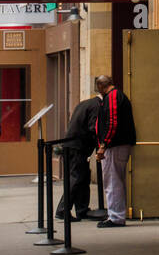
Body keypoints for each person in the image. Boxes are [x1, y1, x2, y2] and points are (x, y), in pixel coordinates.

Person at [94, 75, 136, 228]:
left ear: (100, 86)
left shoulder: (112, 96)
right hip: (118, 144)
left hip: (114, 145)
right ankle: (116, 214)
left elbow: (112, 122)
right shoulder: (117, 95)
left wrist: (103, 145)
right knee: (115, 179)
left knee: (113, 180)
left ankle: (116, 216)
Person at [55, 94, 102, 222]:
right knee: (76, 178)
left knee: (82, 177)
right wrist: (101, 144)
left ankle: (82, 209)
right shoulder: (97, 106)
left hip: (73, 144)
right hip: (79, 146)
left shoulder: (84, 103)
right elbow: (94, 128)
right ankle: (63, 209)